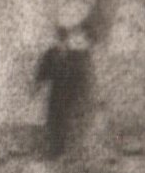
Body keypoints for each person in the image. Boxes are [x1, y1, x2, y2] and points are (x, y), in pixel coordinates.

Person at [33, 18, 97, 162]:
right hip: (57, 94)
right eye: (60, 38)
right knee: (54, 120)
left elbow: (84, 77)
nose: (62, 41)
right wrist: (37, 84)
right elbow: (42, 72)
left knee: (67, 122)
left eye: (65, 38)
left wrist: (82, 94)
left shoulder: (78, 55)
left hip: (70, 95)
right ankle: (55, 152)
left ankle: (66, 153)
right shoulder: (52, 53)